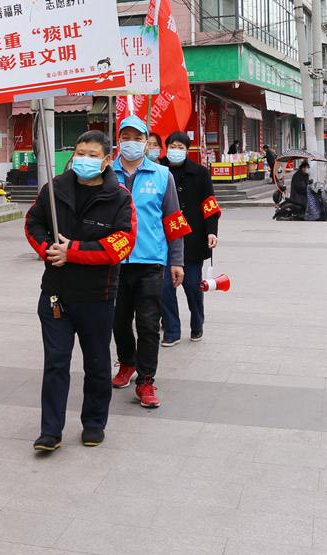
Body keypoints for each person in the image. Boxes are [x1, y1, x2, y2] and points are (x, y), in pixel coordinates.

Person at [25, 130, 136, 451]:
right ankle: (51, 431)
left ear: (105, 160)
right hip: (56, 295)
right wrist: (49, 249)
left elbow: (121, 244)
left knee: (97, 362)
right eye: (79, 152)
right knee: (56, 363)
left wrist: (72, 251)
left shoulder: (119, 197)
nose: (83, 159)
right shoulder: (54, 189)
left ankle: (94, 422)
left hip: (98, 297)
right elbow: (33, 223)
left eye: (91, 155)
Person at [110, 116, 186, 410]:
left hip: (151, 261)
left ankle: (146, 380)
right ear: (119, 140)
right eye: (126, 136)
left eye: (137, 137)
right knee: (118, 320)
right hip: (113, 260)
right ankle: (127, 362)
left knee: (149, 323)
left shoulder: (161, 175)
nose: (131, 142)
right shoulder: (106, 173)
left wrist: (176, 260)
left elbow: (173, 220)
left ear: (146, 141)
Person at [159, 131, 220, 346]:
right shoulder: (157, 171)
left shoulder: (200, 173)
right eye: (172, 146)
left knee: (193, 287)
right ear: (166, 147)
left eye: (180, 147)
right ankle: (172, 331)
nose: (176, 150)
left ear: (187, 149)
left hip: (192, 239)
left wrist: (212, 231)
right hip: (163, 239)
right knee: (165, 288)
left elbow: (209, 204)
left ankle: (197, 323)